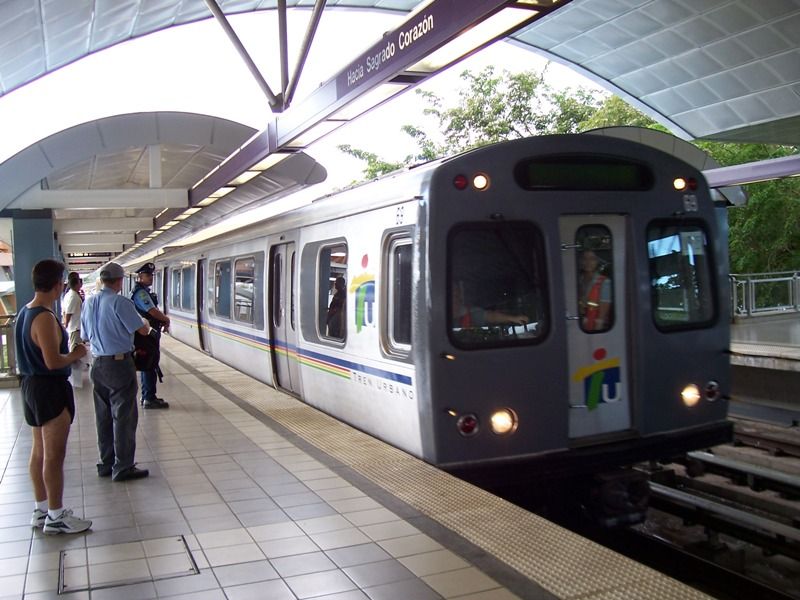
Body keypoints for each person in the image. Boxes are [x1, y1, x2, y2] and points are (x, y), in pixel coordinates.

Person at [14, 259, 92, 535]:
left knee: (39, 452)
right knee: (54, 456)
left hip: (31, 388)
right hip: (49, 390)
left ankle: (41, 509)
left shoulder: (25, 312)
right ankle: (56, 516)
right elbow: (52, 361)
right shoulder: (44, 317)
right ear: (57, 284)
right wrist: (77, 354)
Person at [81, 261, 152, 482]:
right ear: (120, 281)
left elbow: (84, 336)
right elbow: (141, 329)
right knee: (124, 416)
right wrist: (146, 323)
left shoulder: (89, 303)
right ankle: (123, 466)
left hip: (97, 364)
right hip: (119, 365)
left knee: (103, 416)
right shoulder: (120, 302)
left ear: (102, 280)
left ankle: (106, 463)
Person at [130, 262, 170, 409]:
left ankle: (148, 395)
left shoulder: (142, 291)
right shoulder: (140, 293)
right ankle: (148, 398)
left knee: (150, 362)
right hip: (147, 333)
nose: (151, 278)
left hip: (148, 331)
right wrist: (166, 319)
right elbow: (152, 311)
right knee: (149, 363)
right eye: (147, 275)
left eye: (151, 275)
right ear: (140, 277)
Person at [451, 283, 529, 328]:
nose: (454, 300)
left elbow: (491, 316)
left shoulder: (468, 312)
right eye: (451, 296)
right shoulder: (439, 316)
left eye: (456, 296)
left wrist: (513, 318)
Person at [578, 249, 612, 331]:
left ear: (597, 262)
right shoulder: (578, 281)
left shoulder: (605, 282)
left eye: (592, 259)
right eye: (585, 259)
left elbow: (601, 318)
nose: (588, 262)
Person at [62, 272, 83, 350]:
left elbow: (64, 312)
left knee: (74, 349)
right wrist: (65, 325)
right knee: (76, 351)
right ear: (76, 283)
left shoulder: (68, 295)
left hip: (73, 328)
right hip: (75, 329)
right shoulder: (74, 297)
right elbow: (68, 313)